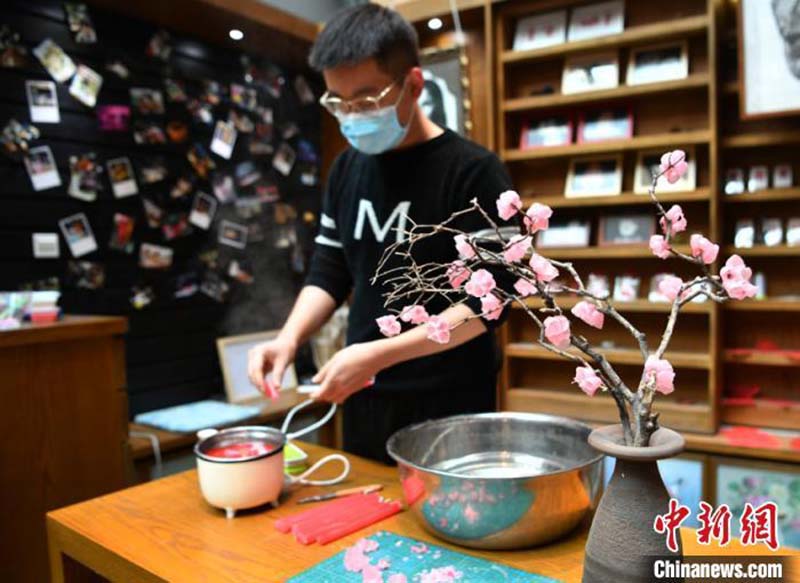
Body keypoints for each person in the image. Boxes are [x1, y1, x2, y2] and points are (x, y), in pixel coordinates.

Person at [247, 4, 512, 463]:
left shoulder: (474, 173)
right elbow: (330, 271)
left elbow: (493, 301)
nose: (351, 115)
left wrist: (379, 355)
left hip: (451, 396)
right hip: (365, 391)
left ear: (413, 84)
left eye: (367, 101)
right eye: (338, 102)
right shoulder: (347, 169)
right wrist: (288, 338)